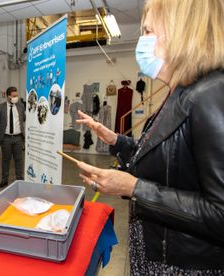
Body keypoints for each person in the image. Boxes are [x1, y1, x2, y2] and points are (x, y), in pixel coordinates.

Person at [76, 0, 224, 274]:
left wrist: (134, 188)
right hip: (156, 250)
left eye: (147, 31)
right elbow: (160, 157)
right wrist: (115, 139)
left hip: (182, 265)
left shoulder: (211, 95)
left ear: (182, 31)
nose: (141, 42)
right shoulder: (177, 93)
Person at [0, 86, 25, 188]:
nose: (16, 97)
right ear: (8, 96)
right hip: (6, 138)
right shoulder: (0, 107)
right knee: (5, 160)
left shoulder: (21, 106)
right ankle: (4, 180)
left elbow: (23, 119)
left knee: (19, 160)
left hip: (18, 138)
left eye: (16, 95)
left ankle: (20, 179)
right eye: (13, 96)